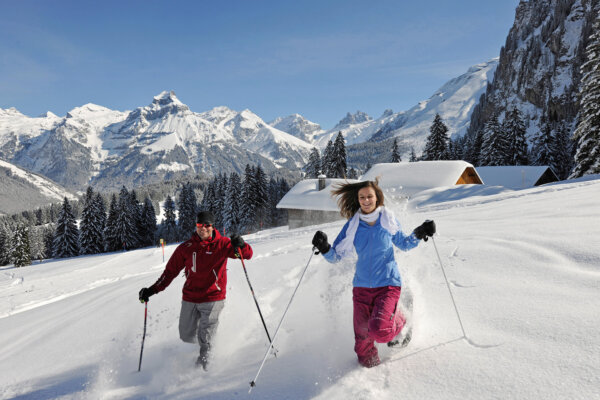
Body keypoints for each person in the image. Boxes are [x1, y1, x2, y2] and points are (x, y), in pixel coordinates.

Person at [311, 180, 435, 368]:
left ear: (377, 198)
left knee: (380, 330)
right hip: (361, 288)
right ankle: (370, 376)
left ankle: (402, 318)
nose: (366, 200)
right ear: (358, 200)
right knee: (362, 345)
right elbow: (336, 256)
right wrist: (324, 247)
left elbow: (404, 243)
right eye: (362, 197)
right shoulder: (352, 226)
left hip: (387, 284)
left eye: (370, 196)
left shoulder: (388, 220)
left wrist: (420, 232)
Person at [138, 210, 252, 370]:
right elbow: (169, 273)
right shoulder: (186, 248)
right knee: (186, 335)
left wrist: (241, 245)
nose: (203, 228)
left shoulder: (223, 244)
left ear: (212, 227)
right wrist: (151, 290)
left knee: (206, 336)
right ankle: (200, 347)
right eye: (200, 225)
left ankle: (204, 370)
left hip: (213, 297)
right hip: (190, 298)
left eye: (207, 225)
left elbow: (246, 255)